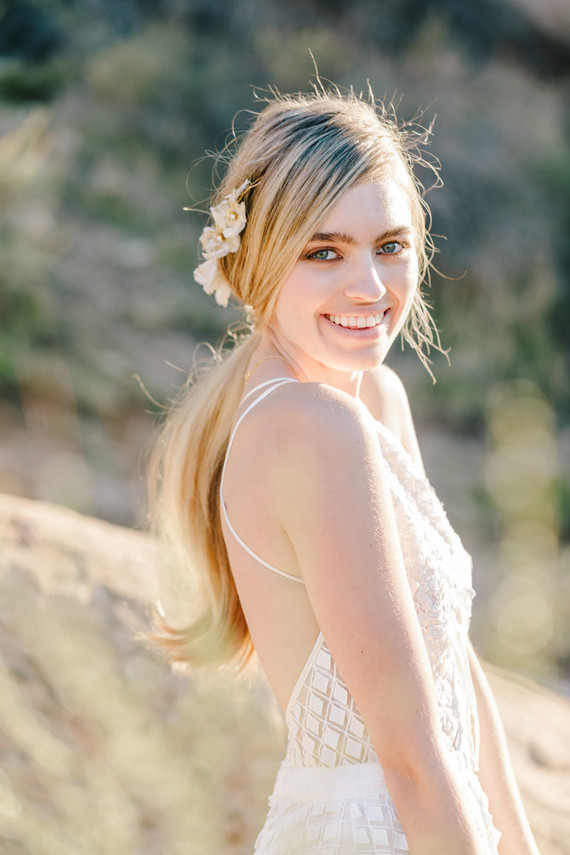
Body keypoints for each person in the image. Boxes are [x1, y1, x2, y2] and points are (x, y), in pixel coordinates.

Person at [148, 84, 540, 855]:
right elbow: (409, 760)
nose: (370, 286)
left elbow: (452, 667)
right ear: (258, 258)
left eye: (389, 245)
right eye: (324, 251)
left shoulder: (371, 399)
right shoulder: (309, 428)